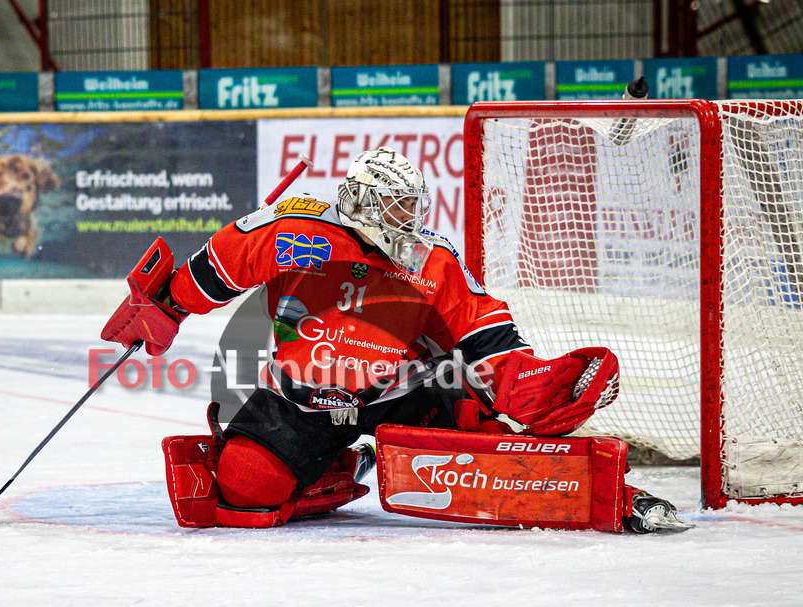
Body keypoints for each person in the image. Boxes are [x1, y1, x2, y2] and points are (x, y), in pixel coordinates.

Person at [103, 147, 685, 533]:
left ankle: (597, 491)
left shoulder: (433, 257)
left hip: (402, 396)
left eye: (413, 206)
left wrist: (524, 382)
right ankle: (335, 468)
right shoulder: (287, 231)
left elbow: (482, 330)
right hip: (301, 401)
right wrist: (171, 304)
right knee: (244, 489)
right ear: (360, 199)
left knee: (481, 438)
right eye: (396, 206)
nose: (408, 218)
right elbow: (220, 265)